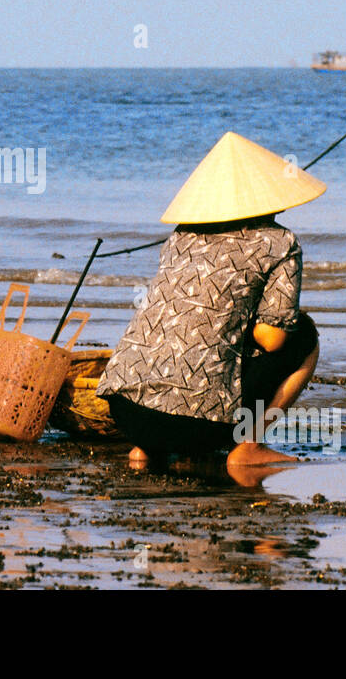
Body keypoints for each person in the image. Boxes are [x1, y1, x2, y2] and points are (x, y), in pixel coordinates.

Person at [96, 132, 326, 469]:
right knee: (304, 334)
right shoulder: (278, 242)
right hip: (193, 425)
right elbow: (273, 339)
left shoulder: (182, 235)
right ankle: (249, 445)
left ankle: (146, 449)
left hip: (127, 415)